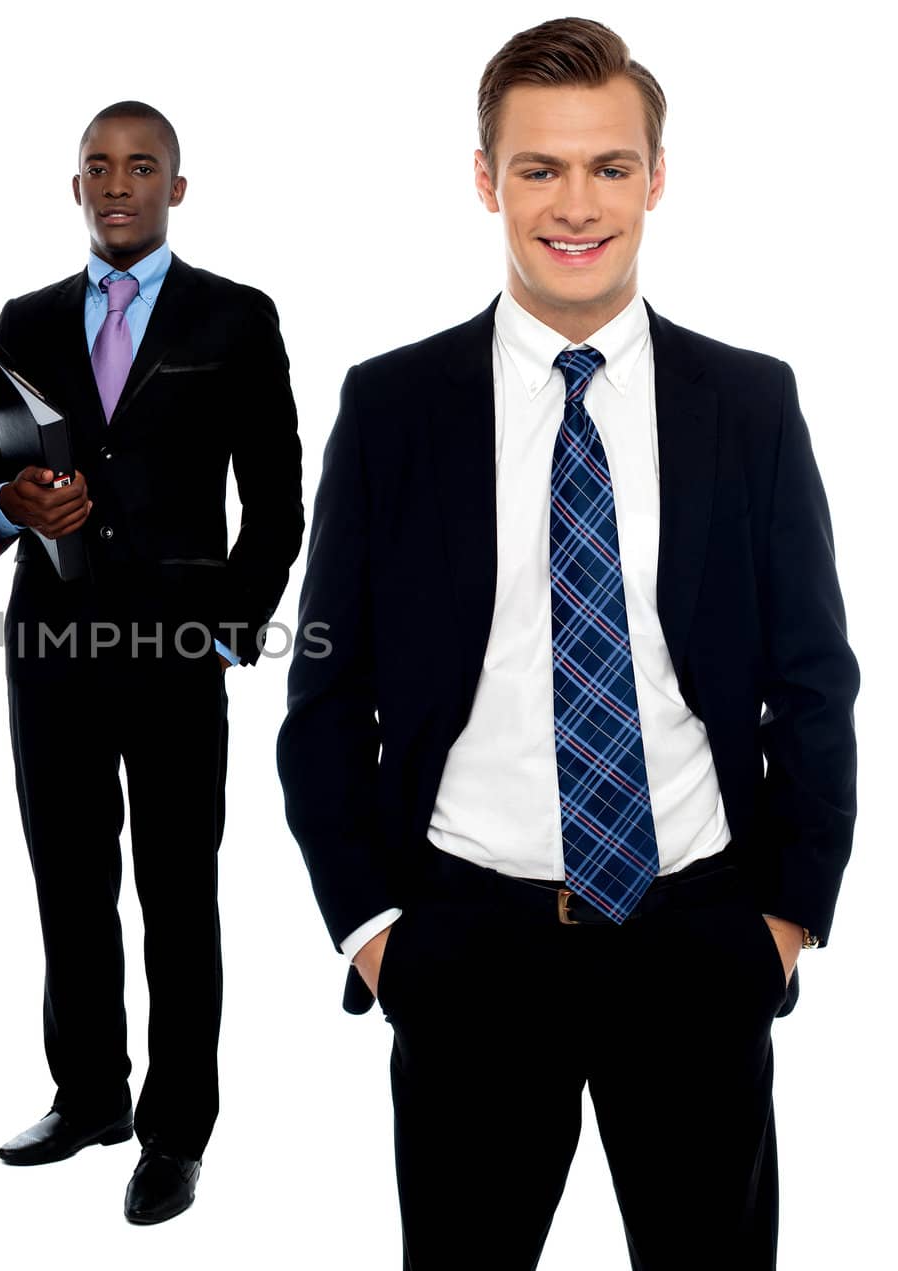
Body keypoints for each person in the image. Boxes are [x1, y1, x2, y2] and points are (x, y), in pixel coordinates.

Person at [278, 17, 859, 1268]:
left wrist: (787, 921)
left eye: (607, 166)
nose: (574, 203)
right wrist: (378, 932)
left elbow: (814, 680)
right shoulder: (392, 406)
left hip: (697, 936)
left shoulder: (750, 401)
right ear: (486, 180)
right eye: (539, 169)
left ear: (656, 177)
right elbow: (326, 690)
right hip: (464, 945)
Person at [0, 101, 303, 1225]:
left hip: (171, 650)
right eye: (98, 167)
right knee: (68, 883)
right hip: (49, 647)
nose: (119, 183)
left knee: (175, 891)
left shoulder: (235, 318)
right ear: (75, 189)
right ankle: (90, 1093)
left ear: (174, 189)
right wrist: (8, 499)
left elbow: (280, 499)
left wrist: (229, 622)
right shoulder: (24, 319)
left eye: (140, 167)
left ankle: (174, 1128)